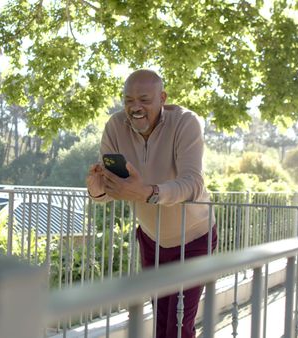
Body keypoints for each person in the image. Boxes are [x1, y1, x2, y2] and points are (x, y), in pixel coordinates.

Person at [86, 69, 216, 338]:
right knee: (160, 324)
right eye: (128, 100)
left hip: (194, 238)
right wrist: (98, 191)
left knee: (178, 327)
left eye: (144, 100)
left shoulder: (186, 122)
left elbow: (194, 184)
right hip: (151, 240)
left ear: (162, 98)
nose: (135, 107)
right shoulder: (114, 126)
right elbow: (115, 188)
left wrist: (149, 193)